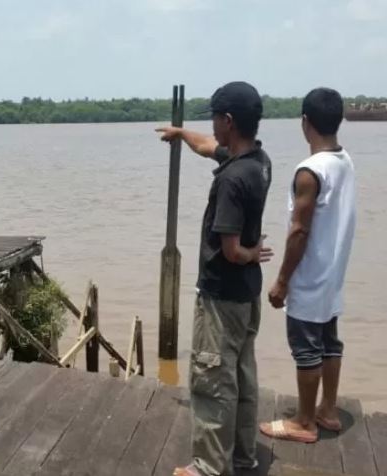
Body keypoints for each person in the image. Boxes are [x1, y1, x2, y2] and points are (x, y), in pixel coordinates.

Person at [157, 81, 273, 476]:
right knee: (241, 375)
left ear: (229, 121)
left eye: (215, 120)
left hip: (221, 296)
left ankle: (207, 467)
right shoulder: (258, 161)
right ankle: (243, 457)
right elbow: (208, 146)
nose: (213, 127)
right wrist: (180, 134)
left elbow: (231, 251)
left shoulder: (230, 180)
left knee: (211, 380)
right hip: (247, 295)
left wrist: (252, 254)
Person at [260, 88, 356, 444]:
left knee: (305, 348)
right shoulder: (344, 159)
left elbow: (299, 230)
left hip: (311, 276)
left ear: (305, 122)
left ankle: (304, 421)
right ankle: (328, 409)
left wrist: (282, 281)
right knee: (329, 341)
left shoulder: (309, 171)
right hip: (333, 274)